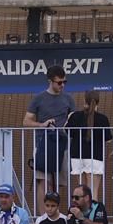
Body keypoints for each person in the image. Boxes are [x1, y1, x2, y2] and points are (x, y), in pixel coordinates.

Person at [26, 66, 76, 199]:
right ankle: (43, 217)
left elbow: (73, 119)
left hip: (63, 145)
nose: (62, 85)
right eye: (59, 82)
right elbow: (26, 121)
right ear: (50, 81)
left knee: (60, 183)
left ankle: (56, 214)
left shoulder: (69, 99)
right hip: (43, 146)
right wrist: (42, 124)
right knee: (43, 181)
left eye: (64, 82)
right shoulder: (39, 98)